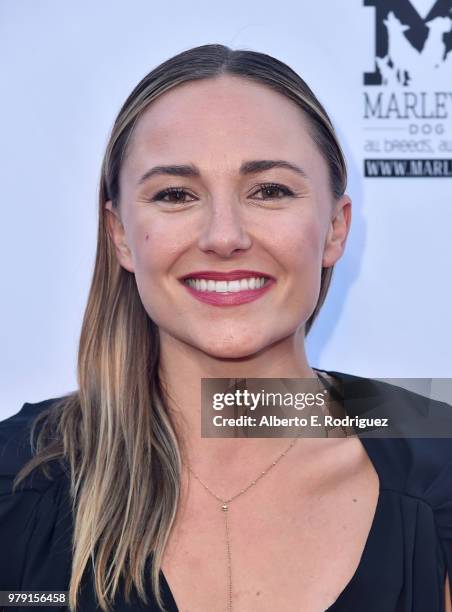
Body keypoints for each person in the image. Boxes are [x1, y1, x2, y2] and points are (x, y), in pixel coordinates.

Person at [0, 43, 451, 612]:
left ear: (336, 228)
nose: (224, 235)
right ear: (120, 235)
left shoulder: (438, 450)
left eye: (269, 191)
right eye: (176, 194)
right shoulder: (18, 475)